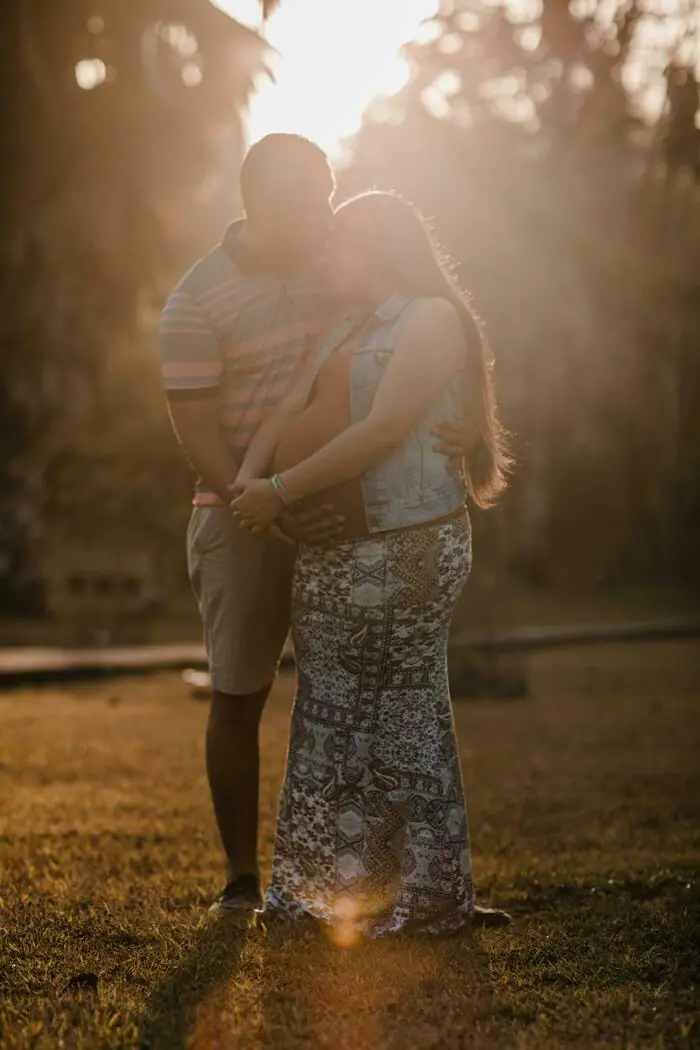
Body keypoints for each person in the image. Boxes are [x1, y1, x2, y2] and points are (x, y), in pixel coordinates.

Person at [159, 138, 475, 917]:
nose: (327, 213)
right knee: (241, 691)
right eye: (311, 198)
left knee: (358, 701)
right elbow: (197, 430)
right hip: (243, 515)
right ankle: (241, 879)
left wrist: (462, 426)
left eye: (330, 194)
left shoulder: (340, 270)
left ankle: (377, 883)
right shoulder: (195, 302)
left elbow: (397, 384)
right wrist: (263, 499)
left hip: (352, 520)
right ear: (261, 202)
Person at [230, 191, 513, 936]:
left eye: (340, 246)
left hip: (410, 542)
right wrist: (250, 487)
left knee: (406, 710)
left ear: (377, 246)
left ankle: (426, 898)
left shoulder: (431, 318)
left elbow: (387, 427)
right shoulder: (343, 326)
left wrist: (281, 489)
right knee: (327, 715)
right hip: (329, 549)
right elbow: (287, 409)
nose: (327, 259)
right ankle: (317, 898)